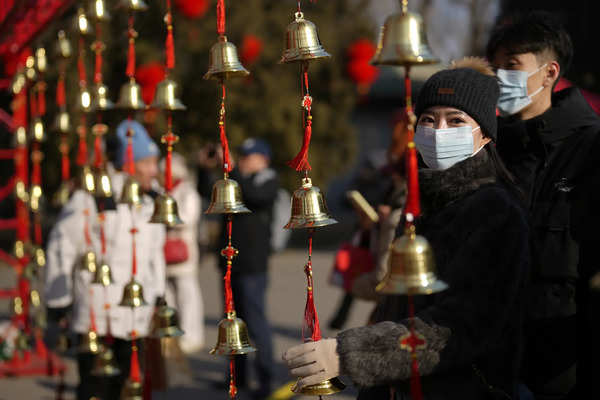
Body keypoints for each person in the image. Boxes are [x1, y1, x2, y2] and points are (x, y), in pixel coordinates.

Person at [282, 58, 530, 399]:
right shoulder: (422, 200)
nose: (439, 131)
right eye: (429, 120)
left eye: (456, 120)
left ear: (485, 133)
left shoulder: (497, 212)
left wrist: (351, 355)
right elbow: (396, 305)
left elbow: (457, 326)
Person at [487, 11, 600, 399]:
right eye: (496, 67)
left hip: (566, 364)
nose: (501, 77)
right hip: (495, 357)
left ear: (550, 72)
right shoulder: (491, 150)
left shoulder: (590, 150)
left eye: (513, 66)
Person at [45, 119, 166, 399]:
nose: (153, 170)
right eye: (147, 163)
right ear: (128, 162)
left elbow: (153, 254)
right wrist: (58, 300)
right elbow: (62, 245)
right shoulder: (94, 196)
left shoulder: (150, 201)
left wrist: (159, 294)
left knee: (130, 384)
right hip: (96, 313)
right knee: (94, 387)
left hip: (136, 312)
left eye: (154, 162)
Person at [198, 138, 279, 400]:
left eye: (249, 155)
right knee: (233, 323)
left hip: (253, 265)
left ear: (263, 158)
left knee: (256, 323)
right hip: (230, 263)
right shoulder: (234, 179)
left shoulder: (268, 180)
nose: (244, 159)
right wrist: (205, 167)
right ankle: (236, 376)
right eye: (242, 155)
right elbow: (206, 190)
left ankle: (266, 379)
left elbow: (253, 197)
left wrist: (231, 169)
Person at [160, 152, 204, 353]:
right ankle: (172, 331)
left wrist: (167, 219)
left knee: (187, 294)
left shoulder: (187, 192)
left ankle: (192, 335)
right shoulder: (160, 191)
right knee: (167, 294)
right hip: (163, 250)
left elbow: (188, 217)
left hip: (182, 249)